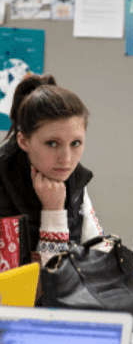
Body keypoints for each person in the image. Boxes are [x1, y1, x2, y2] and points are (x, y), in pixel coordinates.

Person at [0, 74, 102, 266]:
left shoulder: (75, 179)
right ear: (23, 141)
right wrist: (53, 212)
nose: (67, 158)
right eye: (52, 143)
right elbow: (53, 278)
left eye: (76, 143)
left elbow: (98, 253)